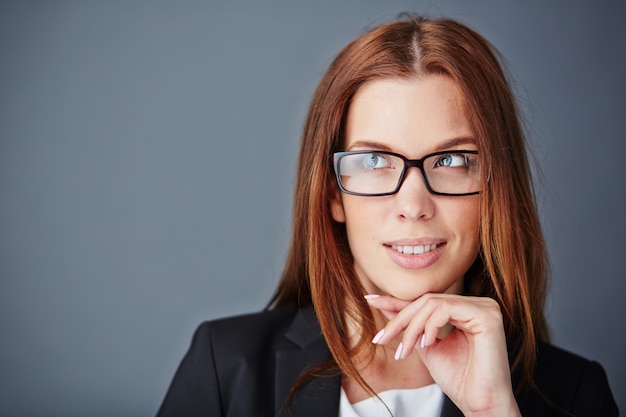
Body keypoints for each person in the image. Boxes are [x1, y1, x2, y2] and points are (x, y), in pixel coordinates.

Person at [156, 14, 618, 417]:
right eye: (375, 162)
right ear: (333, 194)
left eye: (452, 161)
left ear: (496, 190)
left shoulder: (576, 395)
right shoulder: (226, 368)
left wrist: (493, 413)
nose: (413, 206)